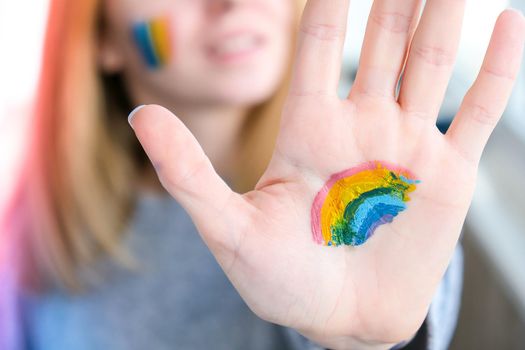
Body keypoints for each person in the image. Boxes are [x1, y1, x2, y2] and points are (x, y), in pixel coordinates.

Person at [1, 0, 524, 349]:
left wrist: (362, 341)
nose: (230, 3)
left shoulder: (376, 189)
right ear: (101, 38)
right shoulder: (33, 229)